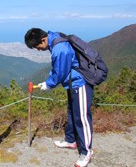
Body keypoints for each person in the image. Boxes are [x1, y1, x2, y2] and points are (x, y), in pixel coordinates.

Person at [24, 28, 94, 167]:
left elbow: (60, 72)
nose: (38, 50)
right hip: (72, 83)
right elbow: (59, 69)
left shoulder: (59, 48)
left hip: (80, 83)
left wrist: (48, 84)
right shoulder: (54, 39)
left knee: (82, 118)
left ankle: (86, 152)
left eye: (37, 46)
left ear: (43, 39)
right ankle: (71, 140)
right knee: (72, 113)